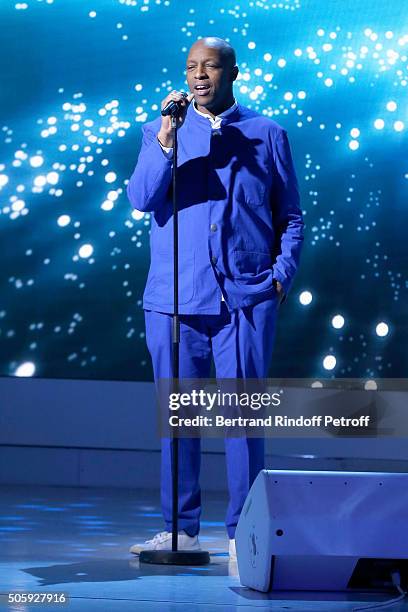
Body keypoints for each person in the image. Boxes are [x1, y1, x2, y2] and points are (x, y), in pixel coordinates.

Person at [127, 37, 304, 559]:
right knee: (180, 421)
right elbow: (141, 199)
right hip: (175, 301)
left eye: (209, 66)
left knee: (242, 423)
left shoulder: (267, 134)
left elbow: (289, 216)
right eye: (190, 67)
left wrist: (279, 276)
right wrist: (165, 139)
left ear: (231, 72)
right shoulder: (161, 133)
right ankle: (180, 529)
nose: (199, 75)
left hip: (245, 299)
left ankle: (243, 535)